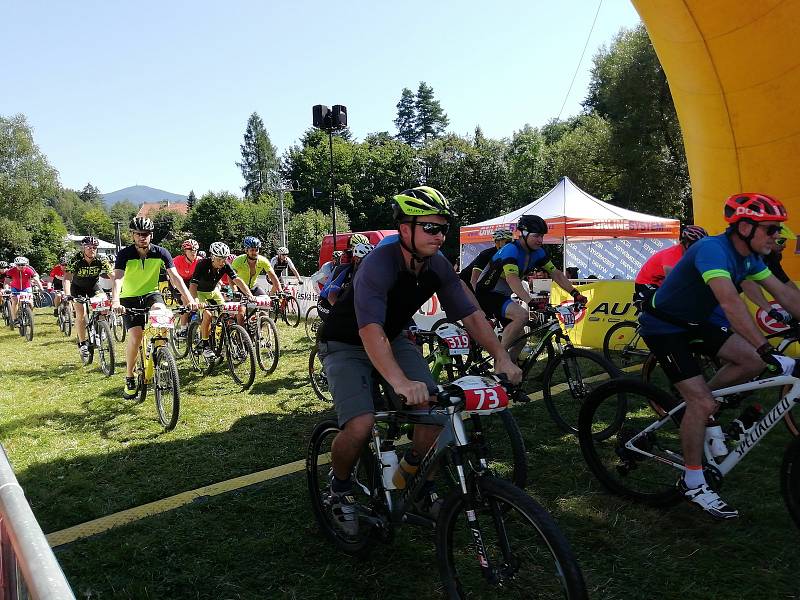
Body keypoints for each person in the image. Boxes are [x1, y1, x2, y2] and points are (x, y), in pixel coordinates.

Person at [317, 185, 522, 536]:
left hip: (392, 337)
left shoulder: (437, 264)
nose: (440, 235)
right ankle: (338, 487)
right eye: (430, 227)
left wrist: (502, 356)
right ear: (404, 228)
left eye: (443, 228)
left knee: (434, 412)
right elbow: (369, 330)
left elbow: (471, 314)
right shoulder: (378, 265)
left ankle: (415, 479)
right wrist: (398, 382)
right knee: (361, 424)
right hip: (345, 342)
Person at [638, 193, 800, 519]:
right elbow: (730, 303)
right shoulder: (713, 250)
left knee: (749, 364)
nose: (777, 236)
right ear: (744, 227)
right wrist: (768, 349)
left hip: (695, 323)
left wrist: (761, 353)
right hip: (664, 326)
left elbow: (785, 294)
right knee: (704, 400)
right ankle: (693, 481)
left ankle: (700, 410)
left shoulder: (750, 257)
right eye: (770, 230)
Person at [474, 214, 588, 360]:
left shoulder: (538, 252)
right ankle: (500, 361)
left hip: (502, 296)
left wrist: (575, 293)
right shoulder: (511, 249)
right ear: (523, 234)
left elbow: (556, 274)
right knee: (521, 315)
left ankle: (509, 372)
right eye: (536, 236)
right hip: (487, 293)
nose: (540, 240)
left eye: (542, 236)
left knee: (520, 339)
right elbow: (512, 278)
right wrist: (530, 301)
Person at [111, 217, 198, 399]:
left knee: (162, 313)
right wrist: (116, 301)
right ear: (132, 235)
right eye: (139, 234)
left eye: (146, 234)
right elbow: (118, 278)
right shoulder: (125, 254)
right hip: (128, 298)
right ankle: (129, 376)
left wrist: (189, 299)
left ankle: (161, 350)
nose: (143, 237)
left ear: (151, 235)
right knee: (136, 336)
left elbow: (175, 278)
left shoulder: (161, 252)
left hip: (151, 294)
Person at [189, 242, 256, 359]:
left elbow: (237, 279)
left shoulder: (225, 264)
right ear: (212, 257)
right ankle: (205, 345)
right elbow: (193, 284)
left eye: (224, 259)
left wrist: (249, 295)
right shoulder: (202, 264)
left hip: (214, 291)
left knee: (226, 315)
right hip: (200, 293)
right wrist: (195, 301)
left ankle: (226, 342)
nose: (222, 262)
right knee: (208, 315)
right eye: (219, 259)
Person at [634, 225, 708, 309]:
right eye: (697, 245)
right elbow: (672, 281)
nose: (700, 248)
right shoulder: (672, 254)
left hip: (660, 283)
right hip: (646, 283)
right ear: (686, 243)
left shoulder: (691, 255)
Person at [64, 237, 113, 360]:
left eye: (95, 248)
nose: (92, 250)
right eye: (89, 247)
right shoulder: (75, 259)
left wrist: (119, 290)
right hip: (78, 288)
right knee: (81, 314)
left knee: (104, 306)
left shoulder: (101, 259)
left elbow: (112, 275)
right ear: (83, 248)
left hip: (93, 287)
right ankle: (82, 343)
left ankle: (101, 328)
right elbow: (67, 278)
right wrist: (67, 294)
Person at [741, 224, 798, 322]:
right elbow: (747, 284)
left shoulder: (772, 257)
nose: (785, 246)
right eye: (781, 241)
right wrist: (770, 310)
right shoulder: (749, 254)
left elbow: (786, 282)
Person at [317, 242, 374, 320]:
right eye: (367, 260)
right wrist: (344, 312)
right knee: (342, 321)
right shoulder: (344, 270)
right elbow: (331, 297)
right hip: (325, 302)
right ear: (357, 259)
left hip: (342, 302)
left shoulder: (366, 274)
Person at [172, 239, 201, 335]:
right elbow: (171, 276)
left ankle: (195, 322)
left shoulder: (199, 261)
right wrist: (175, 287)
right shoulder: (177, 260)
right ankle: (183, 328)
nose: (194, 253)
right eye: (191, 251)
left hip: (191, 282)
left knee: (197, 300)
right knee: (185, 300)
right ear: (185, 252)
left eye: (195, 251)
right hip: (178, 282)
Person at [7, 256, 43, 325]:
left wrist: (41, 288)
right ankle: (15, 319)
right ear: (15, 265)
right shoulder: (11, 271)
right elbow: (7, 281)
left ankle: (29, 315)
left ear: (26, 264)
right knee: (15, 301)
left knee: (31, 303)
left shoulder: (29, 270)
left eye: (23, 264)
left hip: (26, 288)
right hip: (15, 288)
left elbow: (36, 280)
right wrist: (7, 288)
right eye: (19, 265)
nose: (21, 266)